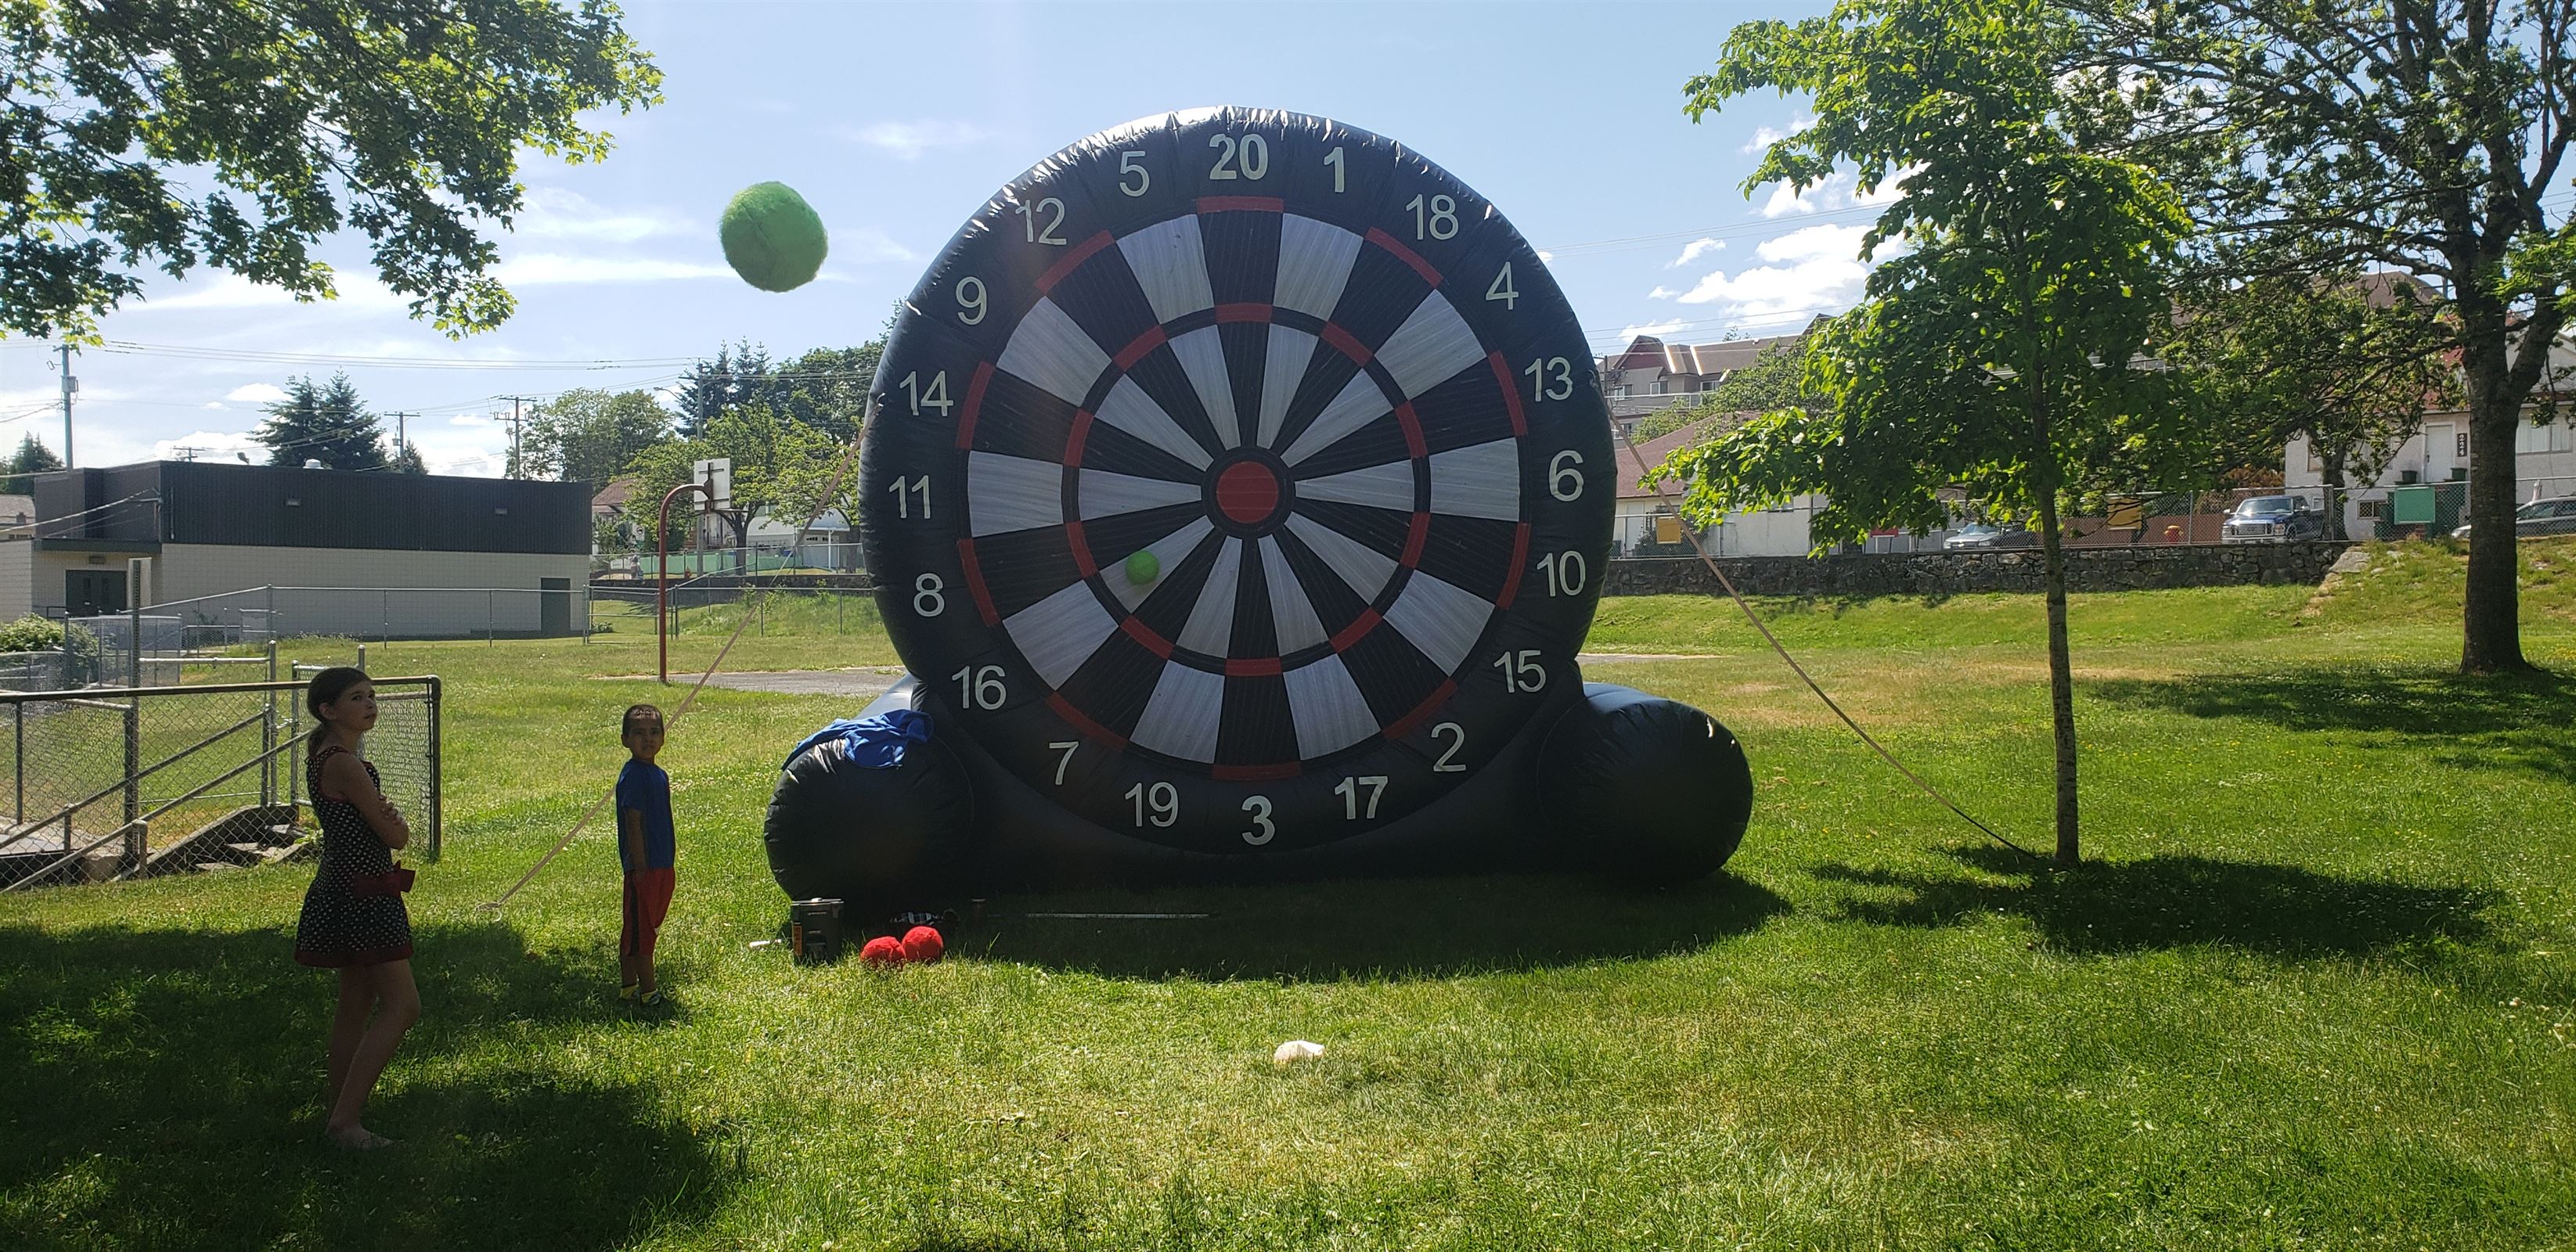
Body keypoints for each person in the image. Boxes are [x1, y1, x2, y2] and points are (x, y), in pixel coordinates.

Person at [291, 667, 419, 1151]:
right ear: (328, 710)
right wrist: (393, 817)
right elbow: (394, 835)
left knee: (356, 1003)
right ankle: (345, 1123)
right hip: (364, 890)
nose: (369, 704)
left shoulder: (324, 756)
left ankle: (340, 1109)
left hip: (342, 884)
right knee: (404, 1006)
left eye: (371, 695)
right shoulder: (346, 763)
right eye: (356, 697)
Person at [615, 703, 676, 1005]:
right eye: (638, 733)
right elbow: (633, 821)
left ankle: (631, 986)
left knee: (646, 924)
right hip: (645, 867)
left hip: (663, 865)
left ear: (663, 737)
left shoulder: (658, 774)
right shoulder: (633, 776)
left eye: (654, 732)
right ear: (625, 739)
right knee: (640, 933)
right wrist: (638, 865)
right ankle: (645, 991)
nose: (647, 739)